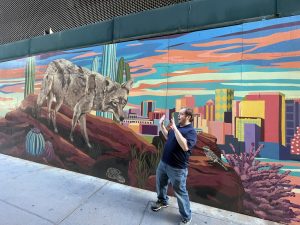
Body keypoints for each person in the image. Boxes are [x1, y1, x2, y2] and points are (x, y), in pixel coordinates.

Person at [151, 107, 197, 225]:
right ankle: (162, 201)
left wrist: (175, 128)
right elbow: (168, 137)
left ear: (188, 117)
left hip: (177, 168)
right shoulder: (177, 127)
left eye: (181, 114)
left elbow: (185, 147)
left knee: (180, 192)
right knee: (160, 183)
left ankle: (186, 216)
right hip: (164, 163)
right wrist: (161, 125)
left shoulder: (191, 131)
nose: (178, 116)